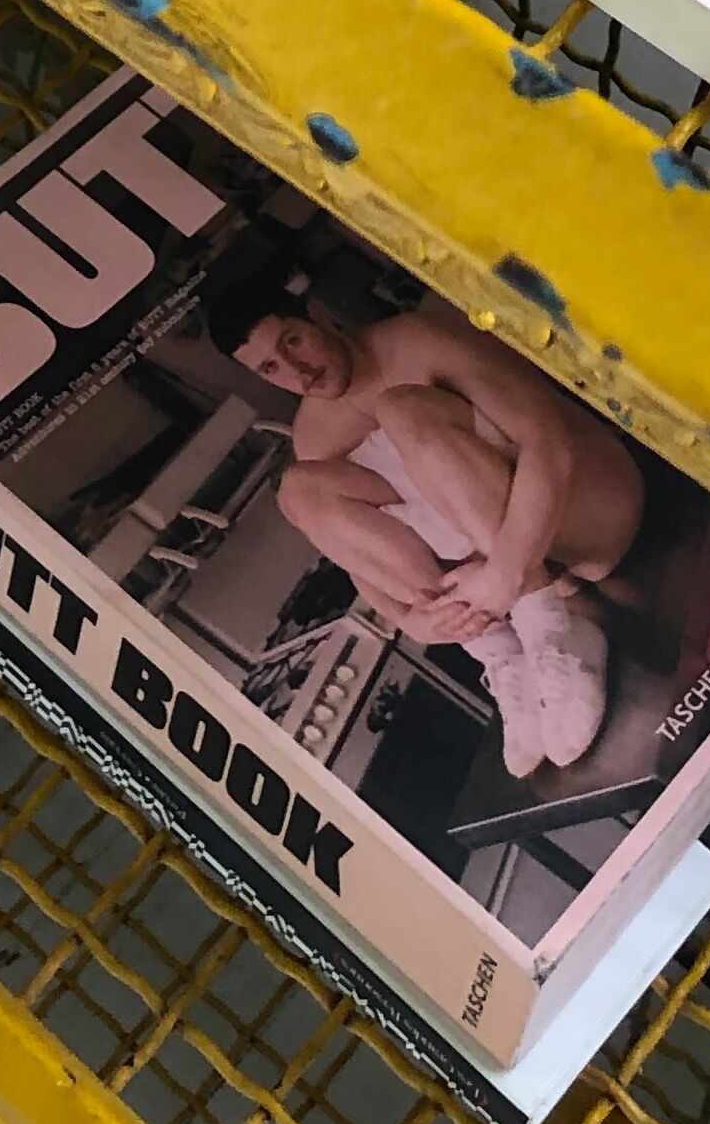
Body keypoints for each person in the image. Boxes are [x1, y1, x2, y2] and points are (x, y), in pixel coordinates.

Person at [202, 247, 647, 778]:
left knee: (400, 408)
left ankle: (549, 625)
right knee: (297, 491)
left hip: (592, 509)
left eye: (292, 341)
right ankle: (500, 650)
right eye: (270, 368)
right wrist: (416, 619)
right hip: (516, 571)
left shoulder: (412, 341)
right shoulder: (312, 436)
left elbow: (549, 444)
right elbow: (361, 565)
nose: (296, 371)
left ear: (317, 315)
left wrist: (508, 573)